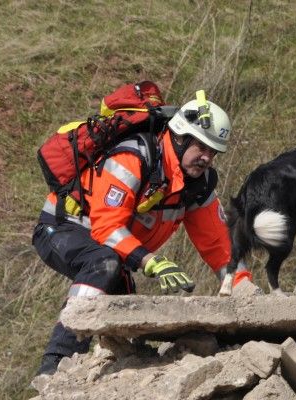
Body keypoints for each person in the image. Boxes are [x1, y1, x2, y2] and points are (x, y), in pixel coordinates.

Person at [31, 95, 252, 376]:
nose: (207, 157)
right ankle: (54, 364)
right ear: (180, 137)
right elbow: (106, 227)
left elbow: (219, 244)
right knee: (103, 265)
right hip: (62, 228)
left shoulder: (198, 184)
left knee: (126, 316)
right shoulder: (133, 158)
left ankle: (109, 373)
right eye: (201, 146)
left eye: (213, 151)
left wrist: (243, 288)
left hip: (114, 248)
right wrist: (149, 261)